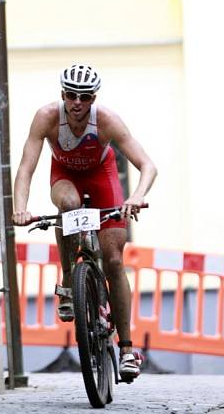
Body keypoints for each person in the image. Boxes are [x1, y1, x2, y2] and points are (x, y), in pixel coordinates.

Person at [12, 63, 157, 381]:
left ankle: (127, 349)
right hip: (65, 177)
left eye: (85, 97)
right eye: (71, 95)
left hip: (101, 177)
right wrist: (20, 208)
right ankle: (68, 284)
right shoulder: (47, 118)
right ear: (62, 95)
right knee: (68, 204)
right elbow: (26, 167)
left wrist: (137, 196)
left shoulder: (106, 121)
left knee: (115, 261)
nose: (77, 102)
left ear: (94, 99)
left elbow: (147, 165)